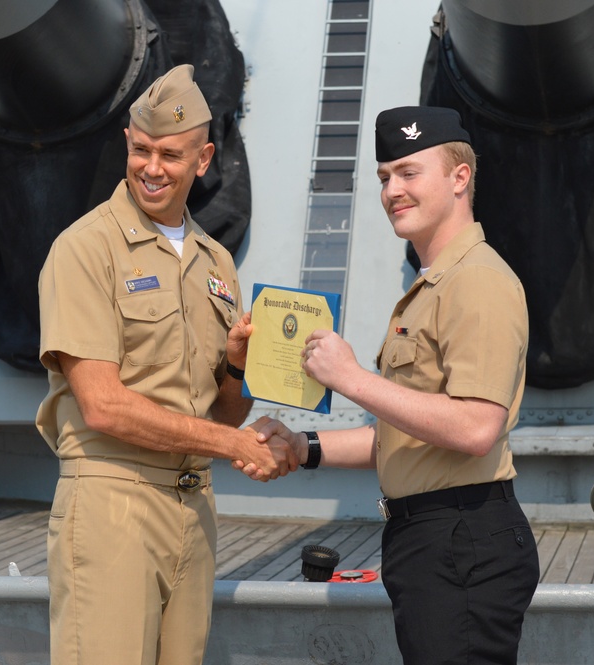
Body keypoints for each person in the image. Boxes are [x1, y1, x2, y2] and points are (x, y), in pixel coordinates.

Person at [244, 106, 540, 664]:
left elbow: (477, 427)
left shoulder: (476, 281)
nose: (392, 191)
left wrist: (352, 379)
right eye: (384, 178)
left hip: (461, 540)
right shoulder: (433, 287)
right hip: (434, 542)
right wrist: (302, 446)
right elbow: (401, 437)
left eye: (408, 172)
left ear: (459, 178)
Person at [36, 64, 297, 665]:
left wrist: (235, 370)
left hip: (193, 505)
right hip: (112, 503)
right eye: (142, 150)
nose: (153, 168)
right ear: (128, 144)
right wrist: (238, 448)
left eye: (171, 155)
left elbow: (226, 413)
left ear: (203, 159)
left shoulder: (216, 264)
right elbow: (102, 405)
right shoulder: (84, 248)